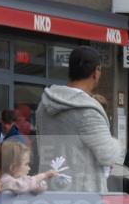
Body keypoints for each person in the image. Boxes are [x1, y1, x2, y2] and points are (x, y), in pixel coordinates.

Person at [36, 46, 120, 193]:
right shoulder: (88, 110)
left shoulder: (44, 105)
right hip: (84, 198)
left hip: (48, 192)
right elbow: (108, 154)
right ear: (96, 72)